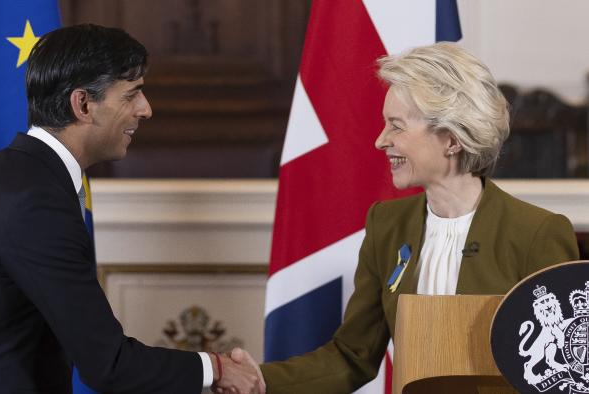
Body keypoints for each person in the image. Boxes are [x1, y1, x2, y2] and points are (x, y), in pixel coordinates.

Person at [226, 42, 580, 393]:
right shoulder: (387, 224)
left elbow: (563, 372)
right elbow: (352, 357)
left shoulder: (537, 233)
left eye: (396, 126)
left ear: (452, 139)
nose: (381, 141)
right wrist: (260, 380)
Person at [0, 24, 262, 394]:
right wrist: (217, 368)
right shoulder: (36, 201)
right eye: (132, 95)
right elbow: (108, 365)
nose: (146, 109)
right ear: (82, 104)